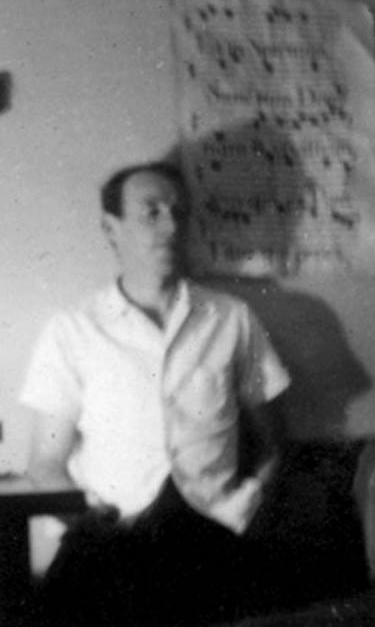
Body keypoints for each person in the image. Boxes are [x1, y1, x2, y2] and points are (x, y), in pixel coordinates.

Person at [19, 161, 291, 626]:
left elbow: (273, 441)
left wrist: (246, 503)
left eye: (178, 213)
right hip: (112, 545)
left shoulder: (231, 318)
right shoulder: (73, 329)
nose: (170, 227)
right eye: (151, 213)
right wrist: (92, 526)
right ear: (111, 228)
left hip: (212, 541)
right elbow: (45, 463)